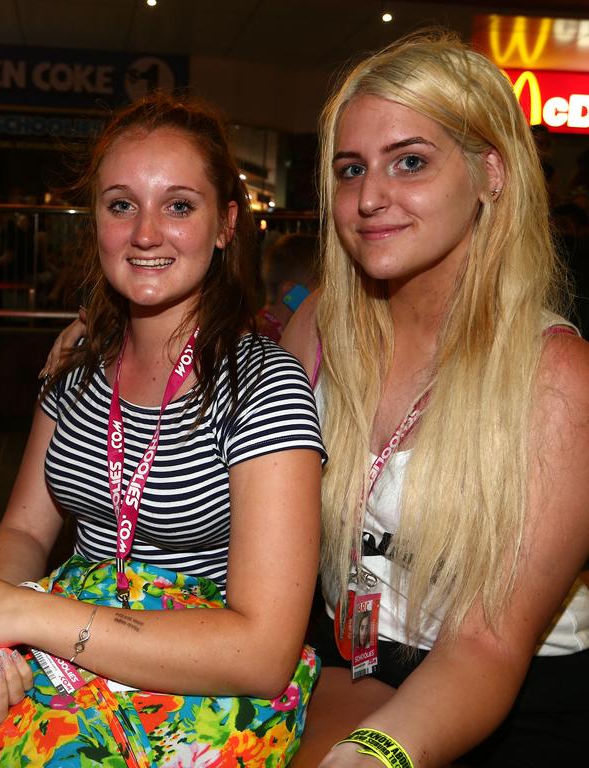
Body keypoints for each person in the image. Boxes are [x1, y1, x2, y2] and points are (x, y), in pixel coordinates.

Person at [0, 93, 326, 765]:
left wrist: (24, 615)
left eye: (178, 205)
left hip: (203, 692)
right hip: (69, 663)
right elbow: (26, 532)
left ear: (225, 223)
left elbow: (260, 655)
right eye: (121, 205)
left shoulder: (265, 386)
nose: (146, 233)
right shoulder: (76, 369)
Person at [280, 32, 589, 767]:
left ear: (492, 173)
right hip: (342, 662)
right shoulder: (323, 326)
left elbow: (486, 645)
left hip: (510, 699)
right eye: (351, 169)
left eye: (409, 161)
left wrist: (368, 754)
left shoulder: (559, 378)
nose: (370, 197)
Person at [258, 232, 319, 341]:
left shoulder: (279, 330)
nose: (322, 296)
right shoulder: (265, 337)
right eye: (317, 286)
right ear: (290, 289)